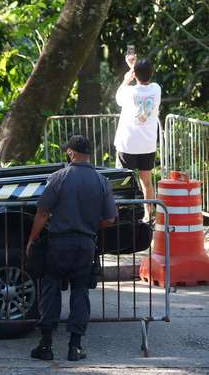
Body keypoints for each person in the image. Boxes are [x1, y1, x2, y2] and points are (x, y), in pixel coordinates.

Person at [26, 135, 118, 361]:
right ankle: (75, 347)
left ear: (70, 152)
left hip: (59, 243)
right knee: (80, 291)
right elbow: (110, 219)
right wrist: (89, 225)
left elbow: (43, 212)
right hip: (86, 244)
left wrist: (31, 239)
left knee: (51, 288)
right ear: (89, 154)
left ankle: (46, 345)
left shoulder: (59, 177)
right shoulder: (101, 181)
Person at [113, 54, 161, 218]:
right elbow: (144, 77)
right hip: (147, 144)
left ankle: (122, 216)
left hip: (127, 144)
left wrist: (127, 77)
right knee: (146, 182)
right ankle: (149, 215)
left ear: (135, 75)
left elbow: (118, 98)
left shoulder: (129, 91)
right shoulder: (156, 89)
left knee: (122, 182)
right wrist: (135, 67)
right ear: (151, 73)